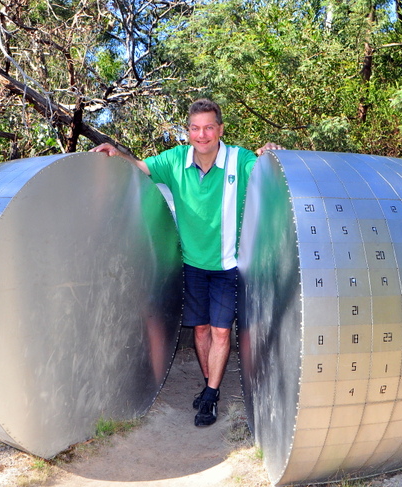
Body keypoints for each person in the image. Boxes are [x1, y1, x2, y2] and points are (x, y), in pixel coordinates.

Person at [91, 98, 283, 427]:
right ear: (188, 131)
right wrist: (115, 153)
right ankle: (211, 386)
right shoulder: (175, 159)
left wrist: (269, 154)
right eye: (195, 128)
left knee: (221, 332)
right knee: (201, 330)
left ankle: (210, 395)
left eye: (208, 127)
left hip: (228, 266)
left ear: (220, 130)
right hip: (192, 264)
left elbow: (264, 173)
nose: (202, 135)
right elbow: (140, 168)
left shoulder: (239, 160)